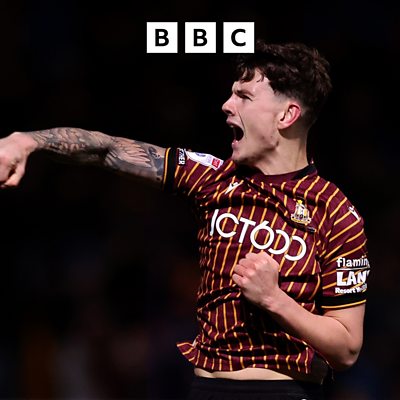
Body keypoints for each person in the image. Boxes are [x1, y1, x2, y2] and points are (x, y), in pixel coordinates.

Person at [0, 40, 370, 400]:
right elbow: (109, 150)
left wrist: (274, 299)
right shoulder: (213, 178)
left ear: (287, 115)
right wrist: (27, 141)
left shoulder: (336, 213)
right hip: (206, 389)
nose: (226, 105)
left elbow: (347, 347)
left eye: (243, 96)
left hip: (285, 391)